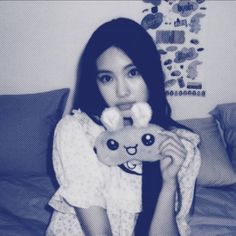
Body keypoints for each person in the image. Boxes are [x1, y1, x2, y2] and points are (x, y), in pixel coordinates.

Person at [46, 17, 193, 236]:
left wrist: (168, 183)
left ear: (151, 74)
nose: (121, 91)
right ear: (95, 84)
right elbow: (98, 233)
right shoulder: (77, 131)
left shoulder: (181, 145)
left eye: (133, 73)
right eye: (107, 78)